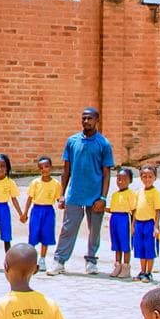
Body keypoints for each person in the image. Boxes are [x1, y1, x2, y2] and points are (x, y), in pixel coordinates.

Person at [51, 107, 114, 276]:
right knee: (68, 228)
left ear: (97, 120)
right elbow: (66, 171)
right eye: (84, 118)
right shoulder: (72, 141)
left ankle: (91, 261)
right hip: (75, 194)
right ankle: (59, 261)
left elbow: (107, 173)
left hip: (95, 195)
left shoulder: (104, 144)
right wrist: (62, 194)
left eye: (90, 118)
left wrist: (103, 197)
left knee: (94, 230)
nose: (86, 121)